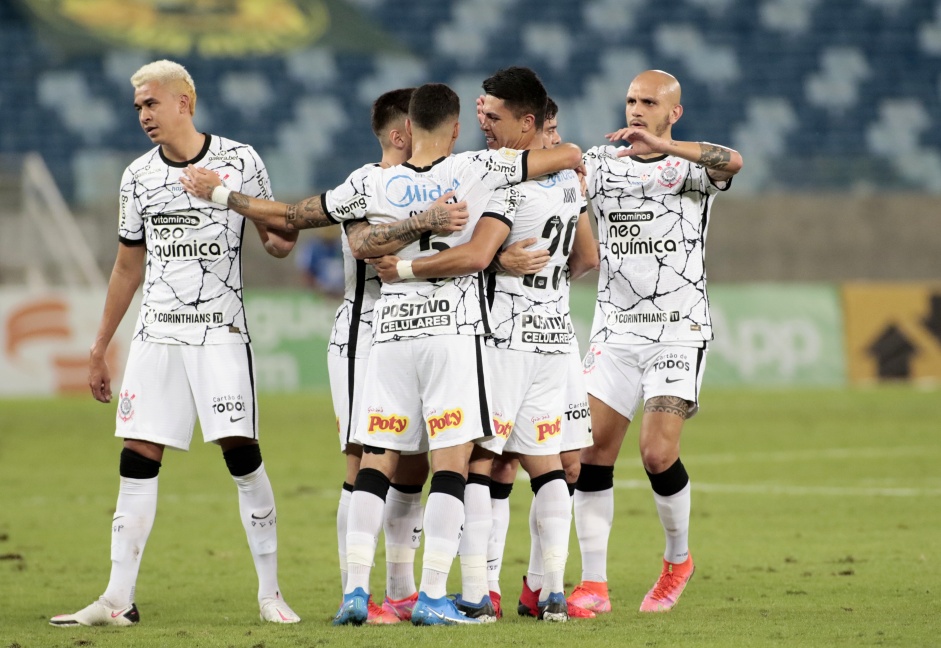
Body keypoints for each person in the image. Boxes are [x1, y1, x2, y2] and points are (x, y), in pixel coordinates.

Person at [180, 88, 469, 624]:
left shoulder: (440, 181)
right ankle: (352, 591)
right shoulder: (366, 186)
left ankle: (400, 591)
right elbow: (298, 217)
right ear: (402, 134)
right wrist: (222, 195)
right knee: (363, 464)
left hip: (414, 339)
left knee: (410, 468)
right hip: (364, 336)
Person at [50, 59, 301, 628]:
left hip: (220, 331)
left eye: (151, 103)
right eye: (137, 106)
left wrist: (237, 203)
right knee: (138, 455)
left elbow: (278, 239)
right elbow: (125, 267)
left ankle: (270, 593)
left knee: (241, 452)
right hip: (157, 334)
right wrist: (98, 348)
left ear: (185, 101)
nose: (142, 115)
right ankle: (118, 599)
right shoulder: (137, 176)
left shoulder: (240, 160)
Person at [329, 82, 582, 626]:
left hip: (392, 333)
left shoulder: (369, 182)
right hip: (492, 335)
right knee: (485, 464)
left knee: (377, 462)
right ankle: (460, 594)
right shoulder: (481, 171)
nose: (486, 123)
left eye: (495, 114)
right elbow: (559, 219)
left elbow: (309, 220)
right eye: (479, 115)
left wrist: (224, 197)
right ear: (457, 127)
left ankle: (358, 590)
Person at [566, 69, 743, 615]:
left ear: (674, 112)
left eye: (648, 102)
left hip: (679, 328)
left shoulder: (691, 168)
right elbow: (562, 191)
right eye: (630, 100)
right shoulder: (599, 163)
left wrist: (666, 147)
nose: (636, 109)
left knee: (657, 451)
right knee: (592, 453)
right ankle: (593, 583)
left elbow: (733, 161)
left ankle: (677, 561)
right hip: (616, 331)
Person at [482, 95, 599, 620]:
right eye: (546, 132)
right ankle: (527, 588)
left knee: (510, 461)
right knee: (531, 463)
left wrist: (524, 276)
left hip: (520, 337)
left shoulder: (516, 181)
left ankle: (516, 587)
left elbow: (470, 255)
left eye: (556, 131)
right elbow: (587, 259)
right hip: (549, 338)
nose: (553, 141)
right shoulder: (562, 179)